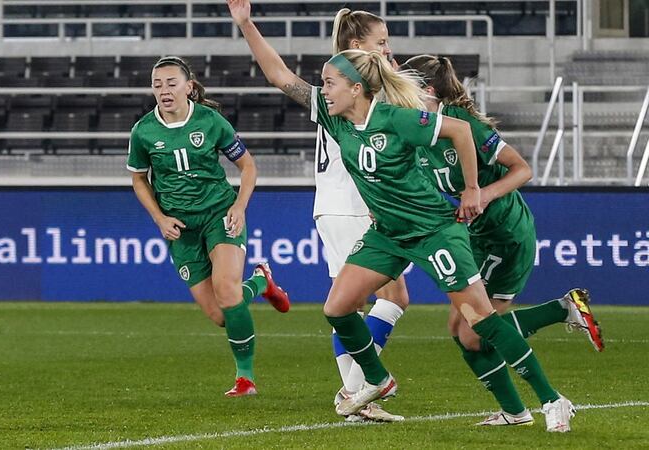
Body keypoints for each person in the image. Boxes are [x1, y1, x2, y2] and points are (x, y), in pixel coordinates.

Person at [227, 0, 576, 432]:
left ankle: (552, 399)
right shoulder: (336, 121)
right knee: (337, 307)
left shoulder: (396, 119)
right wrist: (245, 24)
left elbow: (461, 130)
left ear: (356, 88)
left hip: (433, 231)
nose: (324, 90)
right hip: (387, 233)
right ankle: (377, 380)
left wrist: (471, 189)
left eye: (330, 82)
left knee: (479, 321)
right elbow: (280, 77)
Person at [401, 54, 604, 426]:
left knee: (475, 331)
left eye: (405, 86)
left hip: (506, 235)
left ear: (428, 92)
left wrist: (483, 194)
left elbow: (522, 168)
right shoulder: (418, 132)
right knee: (461, 331)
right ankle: (515, 411)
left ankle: (560, 318)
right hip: (477, 237)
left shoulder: (464, 126)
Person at [127, 56, 291, 397]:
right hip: (181, 228)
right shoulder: (143, 131)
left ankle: (244, 379)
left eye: (171, 83)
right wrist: (159, 218)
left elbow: (247, 167)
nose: (164, 91)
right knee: (220, 315)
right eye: (157, 85)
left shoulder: (211, 122)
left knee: (228, 292)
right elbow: (138, 179)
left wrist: (239, 206)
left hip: (219, 215)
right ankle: (261, 282)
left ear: (189, 86)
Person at [319, 9, 408, 423]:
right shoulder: (355, 90)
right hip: (356, 206)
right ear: (358, 47)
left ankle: (356, 400)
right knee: (392, 298)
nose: (388, 49)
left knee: (349, 306)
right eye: (382, 42)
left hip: (331, 205)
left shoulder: (335, 86)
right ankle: (353, 393)